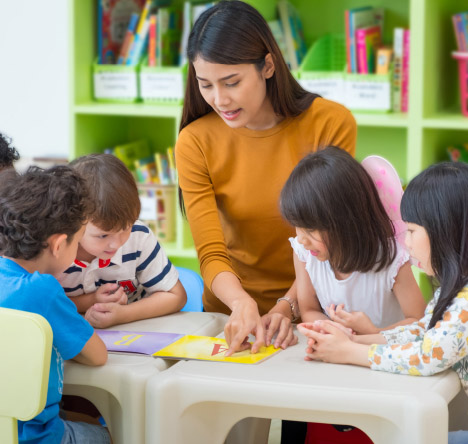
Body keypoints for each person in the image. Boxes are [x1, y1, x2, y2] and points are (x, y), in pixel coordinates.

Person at [175, 0, 357, 357]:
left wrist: (287, 305)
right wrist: (241, 303)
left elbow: (331, 238)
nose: (219, 99)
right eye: (205, 85)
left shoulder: (330, 123)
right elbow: (210, 253)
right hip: (229, 311)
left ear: (268, 66)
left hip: (317, 307)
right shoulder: (195, 141)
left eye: (231, 82)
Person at [298, 161, 468, 444]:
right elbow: (424, 331)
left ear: (446, 230)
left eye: (412, 231)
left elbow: (428, 357)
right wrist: (356, 339)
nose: (407, 243)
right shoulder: (454, 290)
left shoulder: (465, 302)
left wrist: (349, 352)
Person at [0, 165, 110, 444]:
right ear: (59, 244)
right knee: (114, 434)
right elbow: (97, 355)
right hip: (37, 438)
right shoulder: (41, 291)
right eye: (79, 240)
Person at [280, 146, 426, 334]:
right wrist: (334, 330)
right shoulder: (305, 255)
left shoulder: (391, 260)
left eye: (310, 229)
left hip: (382, 356)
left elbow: (418, 321)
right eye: (297, 226)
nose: (301, 239)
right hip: (340, 356)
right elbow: (309, 310)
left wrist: (369, 333)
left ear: (346, 221)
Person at [58, 154, 186, 328]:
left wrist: (123, 314)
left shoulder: (138, 236)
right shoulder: (55, 249)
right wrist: (89, 301)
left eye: (126, 228)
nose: (116, 244)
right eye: (103, 236)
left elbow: (175, 296)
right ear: (73, 222)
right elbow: (39, 305)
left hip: (133, 334)